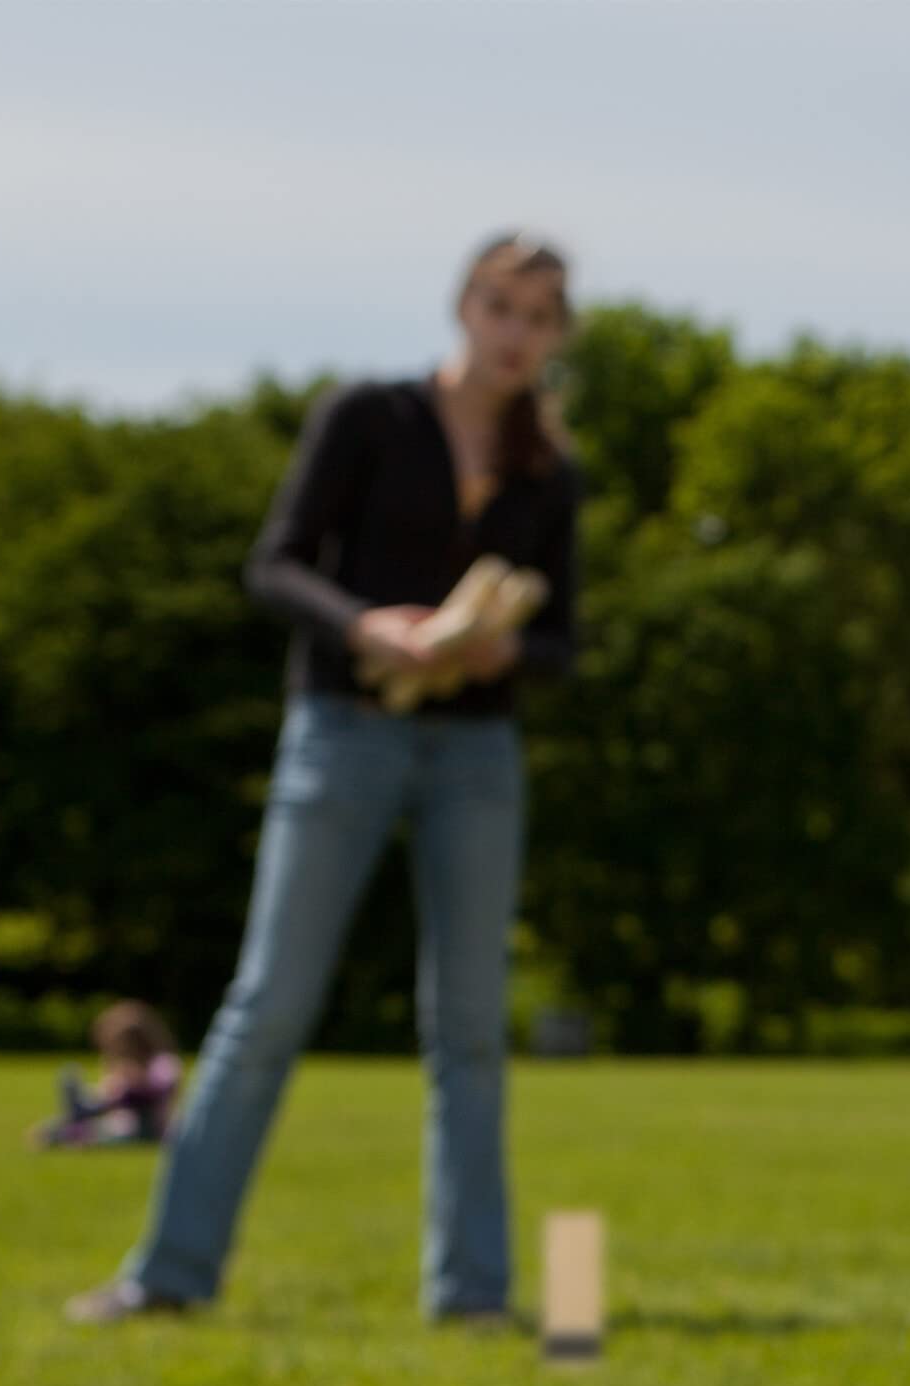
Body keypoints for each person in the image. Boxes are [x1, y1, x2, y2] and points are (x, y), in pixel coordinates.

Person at [67, 231, 581, 1326]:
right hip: (343, 729)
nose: (516, 333)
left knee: (472, 1026)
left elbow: (565, 641)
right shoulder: (367, 417)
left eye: (539, 317)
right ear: (464, 307)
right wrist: (366, 626)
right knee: (267, 1005)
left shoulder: (550, 471)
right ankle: (168, 1274)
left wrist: (503, 651)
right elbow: (275, 564)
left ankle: (472, 1293)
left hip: (477, 753)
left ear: (555, 337)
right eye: (501, 306)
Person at [31, 1000, 182, 1148]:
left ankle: (77, 1124)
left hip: (151, 1126)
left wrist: (131, 1082)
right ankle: (76, 1116)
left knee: (113, 1128)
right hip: (121, 1121)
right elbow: (110, 1099)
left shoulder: (162, 1063)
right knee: (101, 1119)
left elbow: (161, 1089)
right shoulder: (125, 1069)